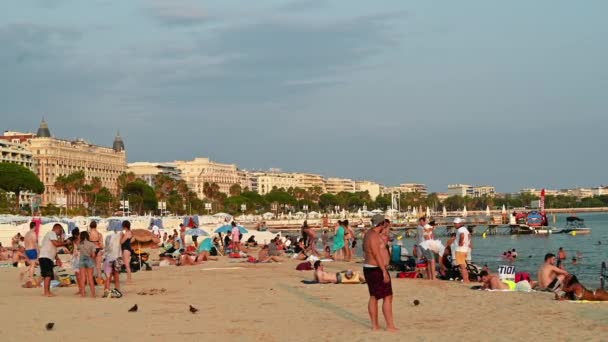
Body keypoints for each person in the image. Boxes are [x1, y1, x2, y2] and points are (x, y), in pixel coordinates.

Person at [362, 215, 397, 332]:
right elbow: (377, 255)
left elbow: (365, 250)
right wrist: (384, 271)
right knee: (387, 296)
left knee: (374, 296)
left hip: (368, 267)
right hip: (376, 268)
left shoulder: (368, 234)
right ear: (381, 224)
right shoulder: (374, 236)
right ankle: (390, 326)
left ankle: (375, 326)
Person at [39, 224, 69, 297]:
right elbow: (55, 244)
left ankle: (47, 291)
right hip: (45, 257)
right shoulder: (51, 233)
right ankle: (46, 292)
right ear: (57, 228)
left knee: (48, 275)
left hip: (47, 257)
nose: (61, 233)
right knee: (48, 275)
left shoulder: (50, 235)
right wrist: (66, 243)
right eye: (61, 230)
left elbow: (53, 248)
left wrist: (57, 258)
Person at [103, 229, 122, 298]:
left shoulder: (108, 239)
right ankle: (117, 290)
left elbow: (105, 250)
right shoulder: (118, 238)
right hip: (117, 258)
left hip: (108, 259)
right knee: (116, 276)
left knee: (108, 277)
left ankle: (107, 291)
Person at [78, 231, 96, 297]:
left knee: (82, 278)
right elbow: (93, 255)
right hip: (89, 259)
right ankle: (93, 294)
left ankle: (83, 294)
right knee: (90, 278)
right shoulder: (92, 244)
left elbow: (78, 249)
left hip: (82, 259)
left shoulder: (80, 244)